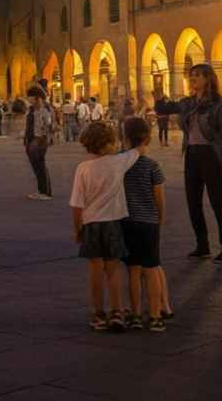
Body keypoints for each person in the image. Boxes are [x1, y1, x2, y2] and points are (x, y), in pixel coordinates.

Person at [155, 65, 222, 263]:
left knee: (217, 202)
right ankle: (202, 246)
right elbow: (165, 108)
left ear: (208, 79)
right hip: (192, 153)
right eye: (191, 76)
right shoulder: (188, 102)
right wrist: (157, 92)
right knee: (193, 202)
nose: (193, 79)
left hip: (211, 155)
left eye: (197, 76)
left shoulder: (218, 104)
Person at [70, 121, 142, 332]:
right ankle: (117, 311)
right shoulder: (118, 162)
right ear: (108, 143)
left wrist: (77, 230)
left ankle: (98, 313)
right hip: (112, 223)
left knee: (95, 271)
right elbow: (137, 150)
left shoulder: (82, 168)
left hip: (91, 224)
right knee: (113, 269)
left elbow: (76, 205)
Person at [118, 116, 166, 333]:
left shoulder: (120, 164)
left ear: (125, 137)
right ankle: (155, 316)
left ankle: (136, 314)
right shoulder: (152, 166)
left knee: (133, 270)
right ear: (147, 138)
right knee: (152, 269)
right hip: (148, 223)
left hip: (127, 222)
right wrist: (160, 217)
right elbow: (159, 198)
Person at [24, 85, 54, 200]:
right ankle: (42, 191)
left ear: (37, 98)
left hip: (38, 141)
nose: (28, 99)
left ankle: (45, 192)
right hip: (32, 140)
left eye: (30, 97)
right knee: (37, 167)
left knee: (40, 166)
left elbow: (48, 127)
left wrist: (39, 141)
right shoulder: (33, 110)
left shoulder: (44, 110)